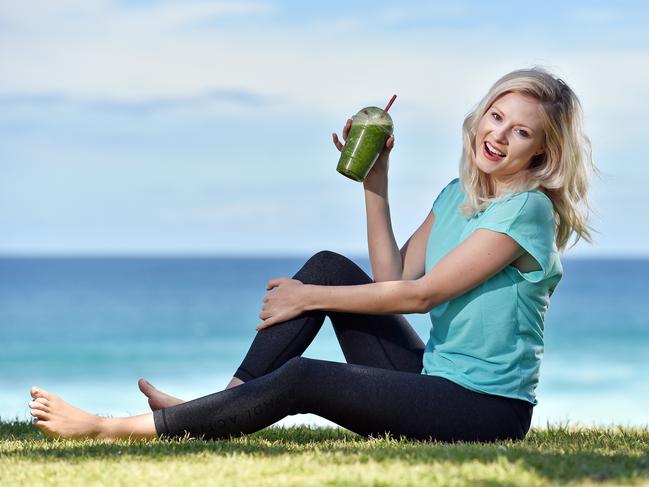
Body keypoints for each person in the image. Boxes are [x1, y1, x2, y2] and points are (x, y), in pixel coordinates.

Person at [27, 66, 598, 443]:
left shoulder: (527, 210)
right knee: (328, 263)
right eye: (497, 116)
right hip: (434, 376)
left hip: (484, 410)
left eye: (522, 132)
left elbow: (423, 296)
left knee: (305, 375)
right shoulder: (458, 195)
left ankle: (109, 428)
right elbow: (392, 276)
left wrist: (310, 297)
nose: (500, 136)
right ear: (481, 116)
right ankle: (222, 406)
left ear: (543, 150)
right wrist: (377, 181)